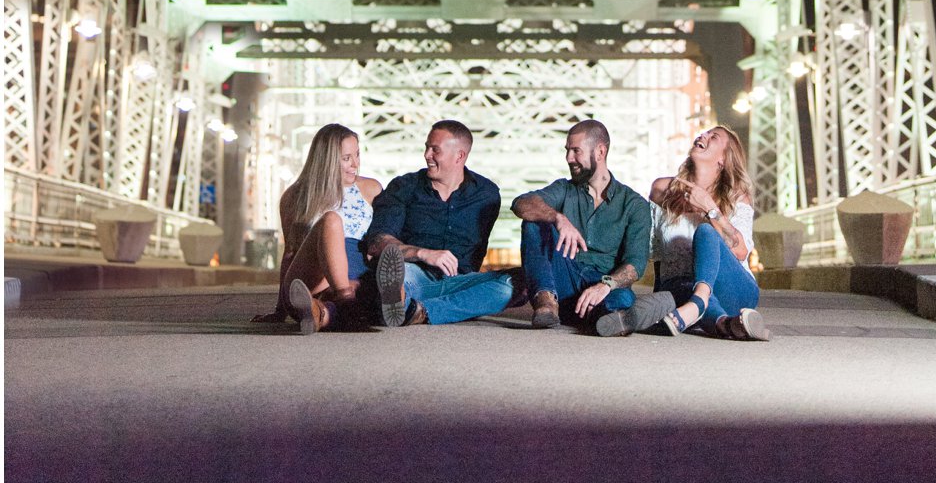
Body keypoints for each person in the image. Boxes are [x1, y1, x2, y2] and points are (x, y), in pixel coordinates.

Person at [511, 119, 673, 334]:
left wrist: (605, 285)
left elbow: (635, 265)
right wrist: (557, 218)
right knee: (534, 222)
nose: (569, 158)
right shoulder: (564, 189)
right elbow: (521, 203)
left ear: (600, 151)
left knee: (623, 296)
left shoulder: (634, 204)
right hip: (562, 280)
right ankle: (546, 304)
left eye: (576, 150)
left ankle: (605, 318)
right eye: (567, 151)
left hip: (602, 284)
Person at [363, 119, 515, 327]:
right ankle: (428, 305)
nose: (427, 156)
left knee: (511, 285)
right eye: (427, 148)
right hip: (415, 274)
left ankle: (419, 311)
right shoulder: (404, 186)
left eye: (435, 150)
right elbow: (378, 241)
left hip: (460, 280)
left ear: (459, 156)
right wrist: (423, 253)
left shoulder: (486, 194)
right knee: (399, 276)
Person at [626, 125, 770, 341]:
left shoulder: (736, 197)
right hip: (681, 287)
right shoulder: (663, 190)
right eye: (704, 133)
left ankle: (698, 304)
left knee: (705, 232)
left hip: (733, 288)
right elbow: (654, 253)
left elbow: (741, 252)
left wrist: (711, 209)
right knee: (683, 286)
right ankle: (727, 324)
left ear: (723, 160)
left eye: (713, 137)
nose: (703, 136)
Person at [251, 122, 382, 332]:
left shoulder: (371, 189)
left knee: (364, 285)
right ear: (327, 161)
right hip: (311, 277)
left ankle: (320, 312)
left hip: (355, 272)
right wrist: (280, 311)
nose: (355, 164)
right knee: (331, 220)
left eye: (357, 155)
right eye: (347, 158)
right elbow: (290, 253)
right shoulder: (296, 196)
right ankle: (345, 301)